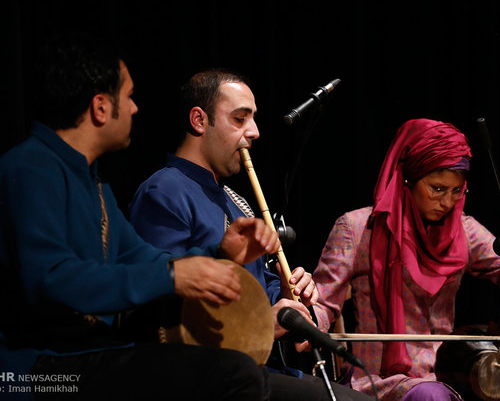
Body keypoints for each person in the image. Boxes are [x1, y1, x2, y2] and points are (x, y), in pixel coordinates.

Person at [0, 33, 282, 400]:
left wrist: (219, 256)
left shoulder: (93, 183)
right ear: (101, 108)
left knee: (240, 373)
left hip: (81, 357)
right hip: (27, 371)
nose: (135, 108)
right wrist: (172, 275)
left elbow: (142, 258)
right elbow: (52, 279)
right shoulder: (29, 170)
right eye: (129, 96)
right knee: (231, 374)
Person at [128, 69, 374, 401]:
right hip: (208, 377)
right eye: (240, 119)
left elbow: (259, 285)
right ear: (200, 121)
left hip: (257, 370)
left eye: (253, 119)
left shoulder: (235, 200)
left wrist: (286, 293)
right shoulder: (165, 191)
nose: (255, 132)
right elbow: (168, 307)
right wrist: (260, 322)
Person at [312, 118, 500, 401]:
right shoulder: (356, 227)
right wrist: (305, 321)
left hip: (454, 376)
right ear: (407, 179)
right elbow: (323, 302)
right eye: (437, 189)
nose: (447, 202)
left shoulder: (463, 229)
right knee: (431, 396)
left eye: (456, 191)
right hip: (382, 378)